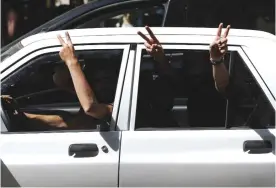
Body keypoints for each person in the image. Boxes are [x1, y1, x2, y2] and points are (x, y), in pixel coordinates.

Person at [137, 23, 231, 127]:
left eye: (194, 54)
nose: (189, 57)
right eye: (188, 54)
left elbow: (223, 86)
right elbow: (173, 76)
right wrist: (160, 58)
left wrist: (216, 60)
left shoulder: (215, 77)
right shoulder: (188, 79)